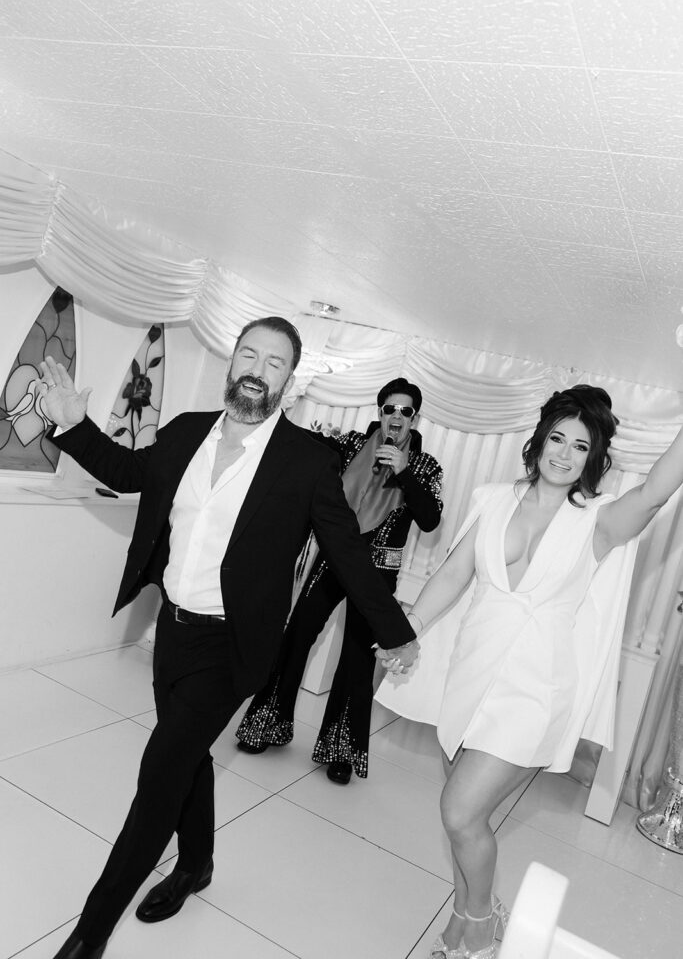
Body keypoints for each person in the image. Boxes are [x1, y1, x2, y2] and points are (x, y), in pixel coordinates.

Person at [38, 316, 419, 959]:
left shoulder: (305, 461)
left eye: (274, 362)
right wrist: (74, 424)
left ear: (289, 382)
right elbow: (129, 473)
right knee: (187, 755)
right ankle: (196, 865)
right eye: (249, 354)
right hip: (173, 630)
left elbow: (348, 551)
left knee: (160, 770)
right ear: (230, 363)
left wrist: (395, 631)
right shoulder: (187, 431)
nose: (257, 368)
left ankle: (89, 933)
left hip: (233, 645)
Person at [374, 384, 683, 959]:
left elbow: (658, 489)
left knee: (460, 812)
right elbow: (452, 575)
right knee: (464, 819)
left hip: (535, 693)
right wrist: (407, 630)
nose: (564, 454)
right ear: (540, 441)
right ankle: (475, 914)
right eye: (557, 439)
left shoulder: (600, 521)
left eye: (580, 446)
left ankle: (478, 923)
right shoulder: (495, 499)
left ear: (595, 458)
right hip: (470, 676)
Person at [235, 377, 443, 784]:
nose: (396, 416)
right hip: (333, 560)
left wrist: (404, 475)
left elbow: (431, 520)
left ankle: (340, 750)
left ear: (414, 418)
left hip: (378, 574)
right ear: (379, 412)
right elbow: (303, 457)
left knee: (357, 659)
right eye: (389, 408)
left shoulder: (424, 465)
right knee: (296, 638)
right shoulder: (349, 446)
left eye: (406, 411)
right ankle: (267, 725)